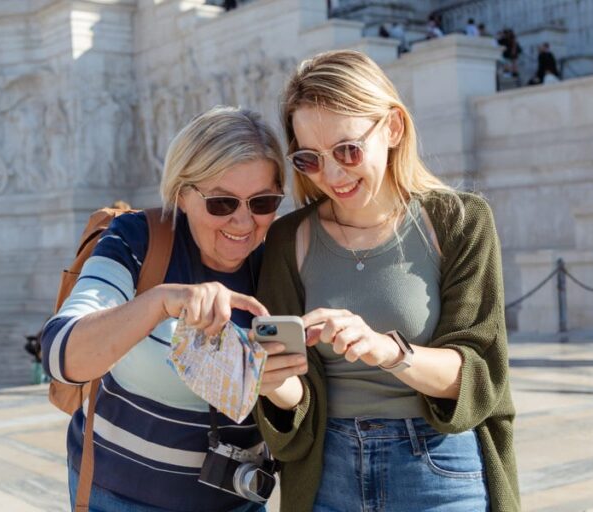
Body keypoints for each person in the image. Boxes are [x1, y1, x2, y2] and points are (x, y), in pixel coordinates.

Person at [251, 50, 520, 511]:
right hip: (324, 471)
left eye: (347, 150)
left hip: (438, 468)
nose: (332, 175)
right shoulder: (286, 239)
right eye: (309, 159)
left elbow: (478, 376)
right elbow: (296, 403)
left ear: (392, 128)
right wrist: (264, 376)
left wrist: (389, 351)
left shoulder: (459, 221)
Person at [40, 106, 306, 511]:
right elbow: (61, 355)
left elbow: (302, 403)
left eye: (263, 202)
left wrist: (272, 382)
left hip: (238, 501)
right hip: (118, 496)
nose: (243, 221)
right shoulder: (140, 239)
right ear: (182, 193)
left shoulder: (284, 257)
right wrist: (162, 301)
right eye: (221, 203)